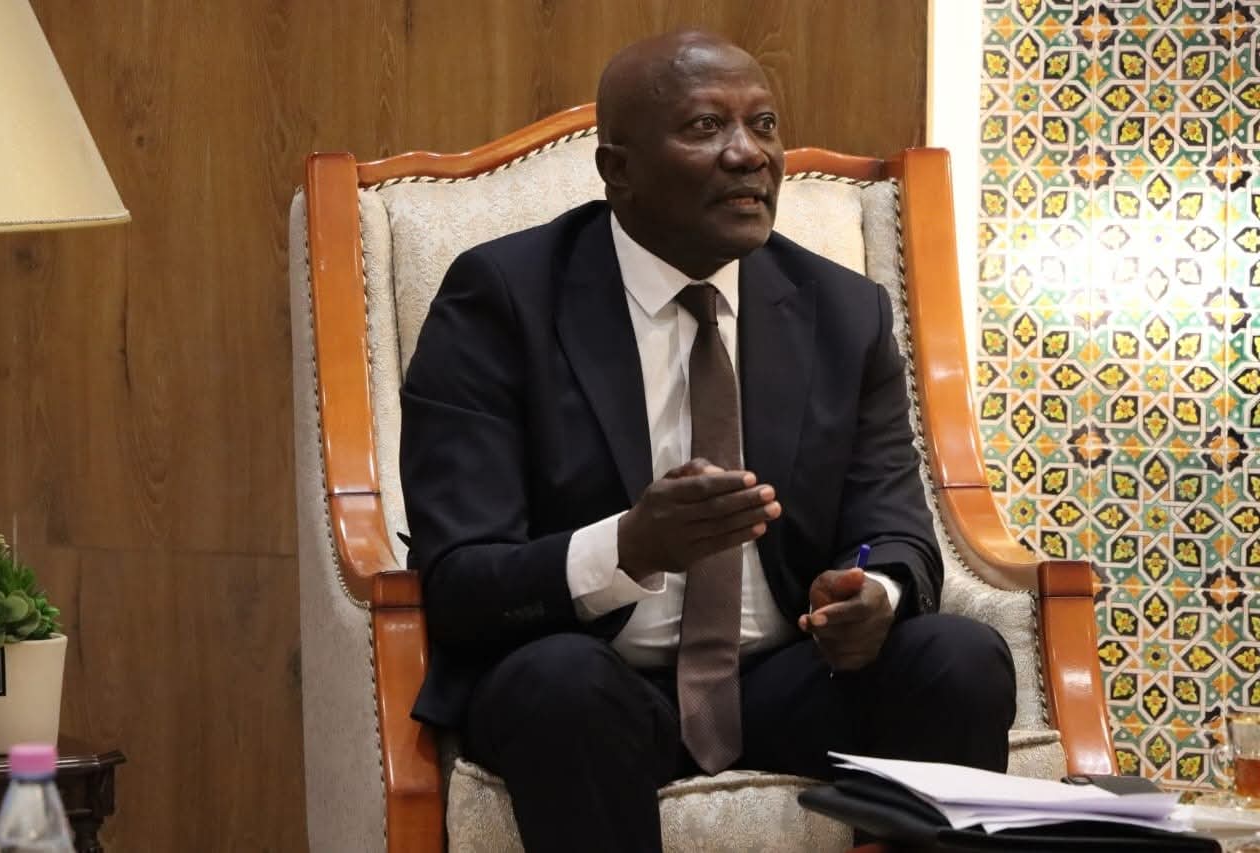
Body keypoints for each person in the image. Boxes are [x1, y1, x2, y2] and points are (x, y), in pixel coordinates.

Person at [400, 29, 1016, 853]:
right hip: (593, 681)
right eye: (704, 127)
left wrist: (873, 590)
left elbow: (894, 526)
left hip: (786, 678)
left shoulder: (843, 312)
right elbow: (459, 580)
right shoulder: (501, 299)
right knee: (561, 684)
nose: (748, 154)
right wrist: (628, 545)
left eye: (764, 125)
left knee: (958, 658)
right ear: (617, 169)